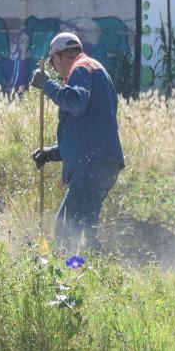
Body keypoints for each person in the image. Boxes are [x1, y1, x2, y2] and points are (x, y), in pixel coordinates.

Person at [30, 32, 125, 253]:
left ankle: (67, 278)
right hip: (102, 162)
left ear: (60, 56)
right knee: (85, 230)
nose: (56, 71)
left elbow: (75, 104)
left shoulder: (81, 68)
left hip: (91, 164)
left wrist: (47, 84)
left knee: (65, 228)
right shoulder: (96, 71)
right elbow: (87, 132)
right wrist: (51, 153)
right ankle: (101, 275)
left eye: (53, 64)